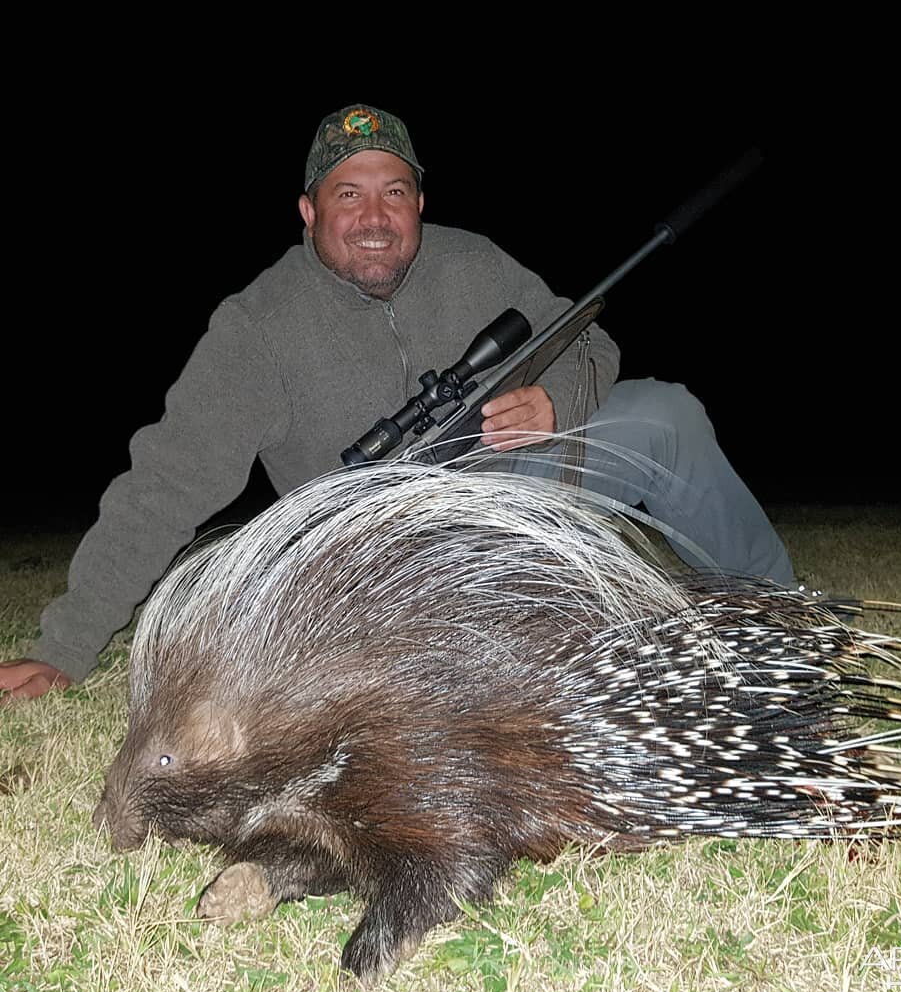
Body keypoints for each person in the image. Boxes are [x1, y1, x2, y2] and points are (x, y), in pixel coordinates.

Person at [1, 103, 794, 701]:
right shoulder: (257, 325)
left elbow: (586, 336)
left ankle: (780, 616)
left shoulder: (475, 263)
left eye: (395, 192)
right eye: (348, 195)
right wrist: (65, 647)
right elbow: (165, 485)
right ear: (309, 212)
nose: (374, 218)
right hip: (379, 568)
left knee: (668, 413)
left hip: (510, 492)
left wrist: (555, 397)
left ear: (420, 202)